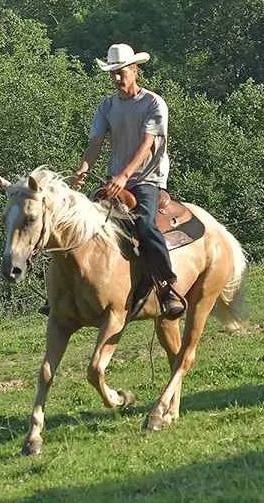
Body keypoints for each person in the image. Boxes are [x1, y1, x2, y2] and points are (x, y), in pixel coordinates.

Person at [73, 43, 186, 319]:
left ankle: (167, 287)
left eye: (120, 72)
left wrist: (124, 176)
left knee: (145, 225)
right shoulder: (107, 106)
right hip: (115, 180)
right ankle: (70, 293)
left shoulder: (153, 104)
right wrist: (84, 169)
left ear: (134, 70)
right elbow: (95, 142)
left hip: (146, 179)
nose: (116, 78)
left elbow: (147, 145)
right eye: (112, 73)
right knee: (79, 223)